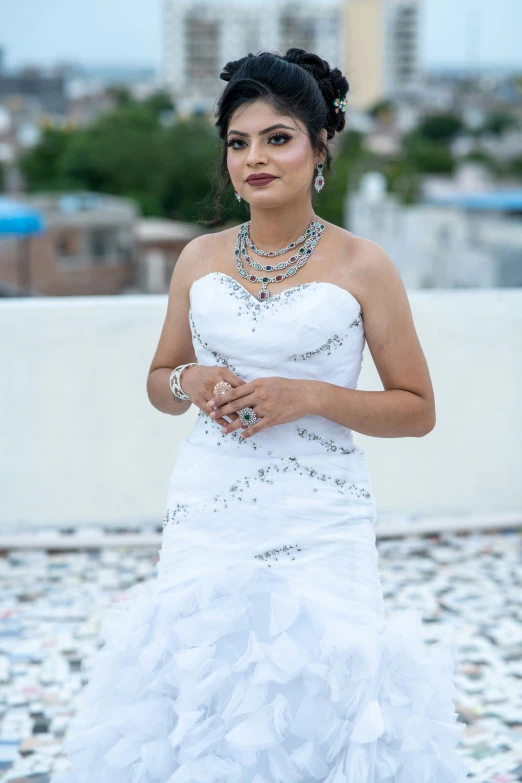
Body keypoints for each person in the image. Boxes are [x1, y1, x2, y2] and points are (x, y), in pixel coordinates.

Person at [55, 49, 470, 782]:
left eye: (277, 138)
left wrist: (305, 395)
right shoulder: (198, 258)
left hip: (320, 516)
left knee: (322, 696)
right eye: (238, 142)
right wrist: (192, 376)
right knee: (202, 692)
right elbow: (157, 381)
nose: (255, 157)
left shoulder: (362, 264)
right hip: (208, 508)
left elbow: (417, 408)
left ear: (318, 146)